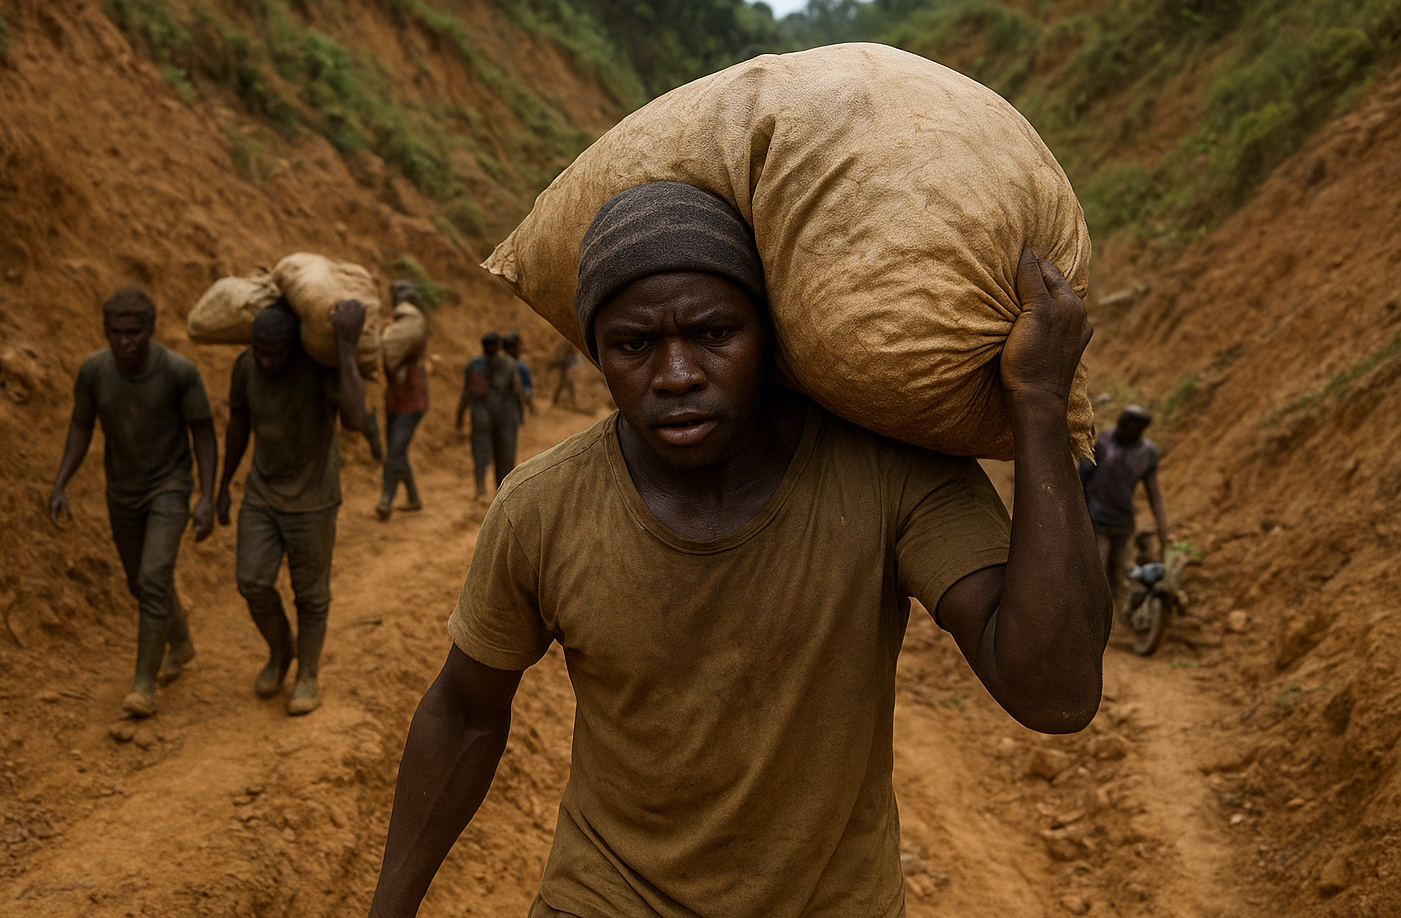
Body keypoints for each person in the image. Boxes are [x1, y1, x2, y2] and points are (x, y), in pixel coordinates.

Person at [366, 182, 1110, 918]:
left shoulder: (888, 473)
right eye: (633, 345)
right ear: (595, 352)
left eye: (714, 334)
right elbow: (463, 713)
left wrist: (1039, 403)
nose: (677, 375)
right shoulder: (541, 509)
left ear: (770, 335)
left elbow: (1057, 692)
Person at [48, 286, 217, 719]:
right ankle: (181, 642)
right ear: (105, 330)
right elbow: (81, 427)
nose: (125, 341)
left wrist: (206, 496)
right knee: (141, 584)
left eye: (134, 332)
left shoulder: (179, 372)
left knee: (154, 576)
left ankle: (143, 683)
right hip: (121, 492)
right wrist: (61, 483)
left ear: (151, 330)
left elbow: (202, 434)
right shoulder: (94, 371)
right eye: (116, 332)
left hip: (169, 488)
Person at [215, 299, 367, 716]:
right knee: (252, 581)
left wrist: (346, 349)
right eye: (260, 351)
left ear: (294, 345)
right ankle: (282, 651)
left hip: (314, 500)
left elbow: (355, 420)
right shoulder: (245, 367)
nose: (266, 361)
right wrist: (223, 485)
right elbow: (239, 426)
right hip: (262, 494)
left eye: (276, 352)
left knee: (311, 596)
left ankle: (307, 675)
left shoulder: (319, 366)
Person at [1080, 403, 1170, 602]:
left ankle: (1118, 617)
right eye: (1129, 424)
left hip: (1123, 523)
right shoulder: (1101, 442)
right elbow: (1081, 480)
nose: (1132, 430)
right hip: (1096, 521)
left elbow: (1153, 493)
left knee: (1120, 576)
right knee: (1096, 577)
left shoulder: (1147, 453)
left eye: (1138, 426)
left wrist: (1164, 532)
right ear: (1120, 423)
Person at [376, 281, 429, 520]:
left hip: (412, 403)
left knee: (394, 453)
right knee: (398, 452)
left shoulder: (413, 332)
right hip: (394, 402)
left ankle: (386, 500)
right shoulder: (395, 330)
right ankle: (414, 497)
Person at [455, 331, 523, 504]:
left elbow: (514, 390)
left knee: (497, 454)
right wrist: (460, 414)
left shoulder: (497, 364)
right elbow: (516, 391)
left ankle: (492, 490)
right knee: (490, 453)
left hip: (495, 415)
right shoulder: (504, 364)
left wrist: (460, 415)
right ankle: (489, 490)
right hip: (492, 415)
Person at [502, 331, 534, 425]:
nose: (520, 349)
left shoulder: (502, 363)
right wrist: (530, 404)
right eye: (518, 347)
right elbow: (524, 390)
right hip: (511, 406)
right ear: (510, 348)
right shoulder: (518, 366)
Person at [550, 343, 582, 412]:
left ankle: (572, 403)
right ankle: (555, 401)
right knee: (563, 388)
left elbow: (573, 367)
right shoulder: (567, 358)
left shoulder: (571, 358)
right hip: (566, 376)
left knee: (569, 389)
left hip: (568, 376)